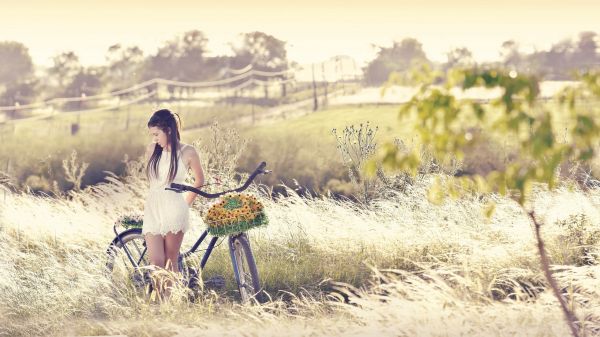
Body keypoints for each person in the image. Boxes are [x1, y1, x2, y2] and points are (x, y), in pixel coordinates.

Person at [142, 108, 204, 300]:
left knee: (170, 260)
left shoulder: (188, 152)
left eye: (156, 134)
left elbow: (199, 181)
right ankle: (160, 301)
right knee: (156, 261)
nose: (154, 138)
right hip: (153, 207)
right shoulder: (152, 150)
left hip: (175, 207)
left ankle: (166, 304)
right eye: (152, 134)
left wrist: (185, 205)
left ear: (168, 129)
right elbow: (152, 181)